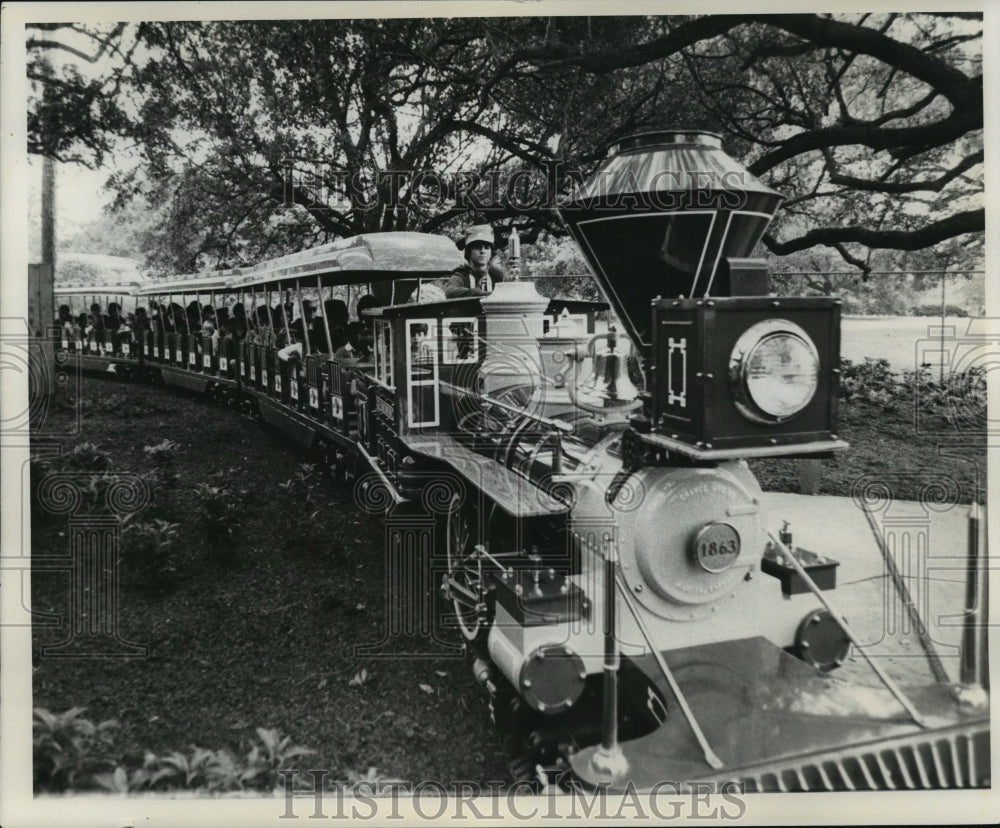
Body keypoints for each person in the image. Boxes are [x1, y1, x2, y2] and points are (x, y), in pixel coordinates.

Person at [444, 225, 506, 298]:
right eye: (477, 247)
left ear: (491, 253)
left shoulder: (497, 274)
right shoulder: (462, 274)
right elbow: (450, 291)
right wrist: (479, 293)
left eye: (486, 248)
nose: (482, 251)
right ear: (469, 252)